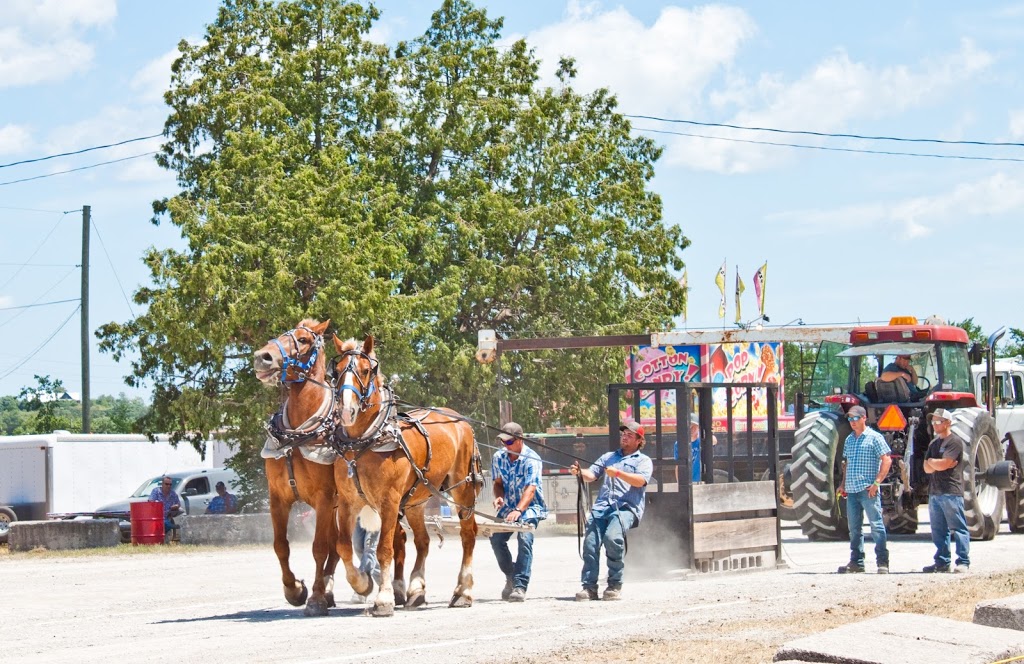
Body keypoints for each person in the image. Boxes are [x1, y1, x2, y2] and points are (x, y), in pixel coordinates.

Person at [570, 418, 653, 601]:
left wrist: (618, 473)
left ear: (639, 440)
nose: (624, 437)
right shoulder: (608, 457)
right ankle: (589, 587)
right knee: (590, 544)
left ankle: (615, 584)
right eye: (623, 434)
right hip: (602, 507)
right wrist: (579, 472)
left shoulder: (643, 461)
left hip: (626, 508)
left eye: (629, 435)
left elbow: (640, 481)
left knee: (612, 538)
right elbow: (592, 475)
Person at [490, 421, 547, 602]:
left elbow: (530, 490)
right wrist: (499, 497)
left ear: (520, 439)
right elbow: (498, 484)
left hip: (530, 508)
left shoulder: (532, 459)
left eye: (508, 442)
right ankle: (511, 576)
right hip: (509, 508)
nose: (504, 446)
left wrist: (518, 510)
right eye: (502, 442)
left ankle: (520, 586)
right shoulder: (498, 457)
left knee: (525, 538)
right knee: (496, 539)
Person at [837, 405, 892, 574]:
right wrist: (843, 484)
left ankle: (882, 562)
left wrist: (877, 483)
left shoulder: (875, 437)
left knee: (876, 525)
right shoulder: (849, 440)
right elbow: (846, 464)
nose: (852, 422)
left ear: (864, 418)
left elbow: (887, 460)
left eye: (855, 418)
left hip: (868, 490)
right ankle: (857, 562)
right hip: (852, 490)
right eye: (850, 419)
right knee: (854, 528)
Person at [922, 408, 970, 573]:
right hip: (935, 492)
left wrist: (934, 463)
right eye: (933, 421)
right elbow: (927, 468)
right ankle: (942, 562)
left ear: (948, 423)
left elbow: (944, 464)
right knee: (938, 530)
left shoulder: (954, 442)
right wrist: (936, 463)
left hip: (951, 491)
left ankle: (963, 561)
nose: (935, 424)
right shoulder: (933, 443)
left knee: (958, 527)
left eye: (938, 421)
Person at [351, 515, 381, 603]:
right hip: (359, 512)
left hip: (375, 511)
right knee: (358, 547)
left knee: (369, 548)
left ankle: (362, 587)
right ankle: (385, 581)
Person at [149, 475, 182, 541]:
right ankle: (172, 527)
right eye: (166, 484)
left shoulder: (173, 494)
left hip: (167, 516)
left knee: (167, 522)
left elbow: (178, 504)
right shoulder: (156, 491)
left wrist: (176, 506)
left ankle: (171, 528)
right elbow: (151, 502)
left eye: (170, 484)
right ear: (162, 484)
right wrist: (157, 504)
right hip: (156, 517)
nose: (168, 486)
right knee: (165, 523)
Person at [673, 414, 702, 484]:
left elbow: (714, 440)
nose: (691, 429)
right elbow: (678, 465)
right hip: (686, 481)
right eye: (689, 426)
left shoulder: (701, 442)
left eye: (694, 426)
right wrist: (679, 482)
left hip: (700, 481)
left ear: (698, 427)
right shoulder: (679, 443)